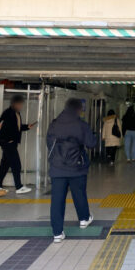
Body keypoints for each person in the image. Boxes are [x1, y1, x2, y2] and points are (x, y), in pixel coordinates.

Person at [47, 97, 96, 243]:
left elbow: (49, 143)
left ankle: (57, 233)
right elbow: (91, 143)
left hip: (57, 167)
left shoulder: (54, 124)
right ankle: (84, 219)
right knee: (79, 194)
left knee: (57, 200)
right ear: (78, 109)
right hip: (77, 167)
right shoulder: (81, 125)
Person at [0, 94, 36, 194]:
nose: (21, 106)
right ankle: (19, 187)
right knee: (16, 164)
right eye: (19, 104)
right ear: (14, 103)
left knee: (4, 165)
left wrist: (27, 127)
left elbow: (17, 127)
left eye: (21, 104)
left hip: (11, 143)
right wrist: (8, 140)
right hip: (9, 144)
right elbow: (4, 127)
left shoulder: (16, 113)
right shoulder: (8, 113)